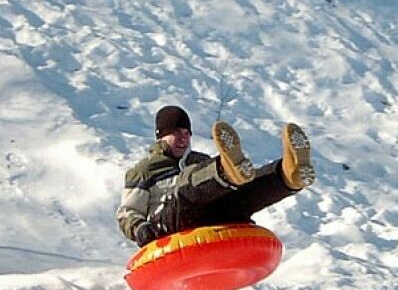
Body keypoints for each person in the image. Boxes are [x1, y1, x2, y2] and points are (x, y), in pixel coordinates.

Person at [116, 105, 315, 247]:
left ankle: (287, 175)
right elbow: (127, 212)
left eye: (187, 133)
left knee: (238, 196)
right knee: (186, 190)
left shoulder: (199, 160)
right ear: (161, 135)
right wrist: (140, 229)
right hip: (166, 230)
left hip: (206, 223)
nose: (184, 138)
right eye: (177, 132)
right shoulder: (144, 170)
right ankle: (225, 171)